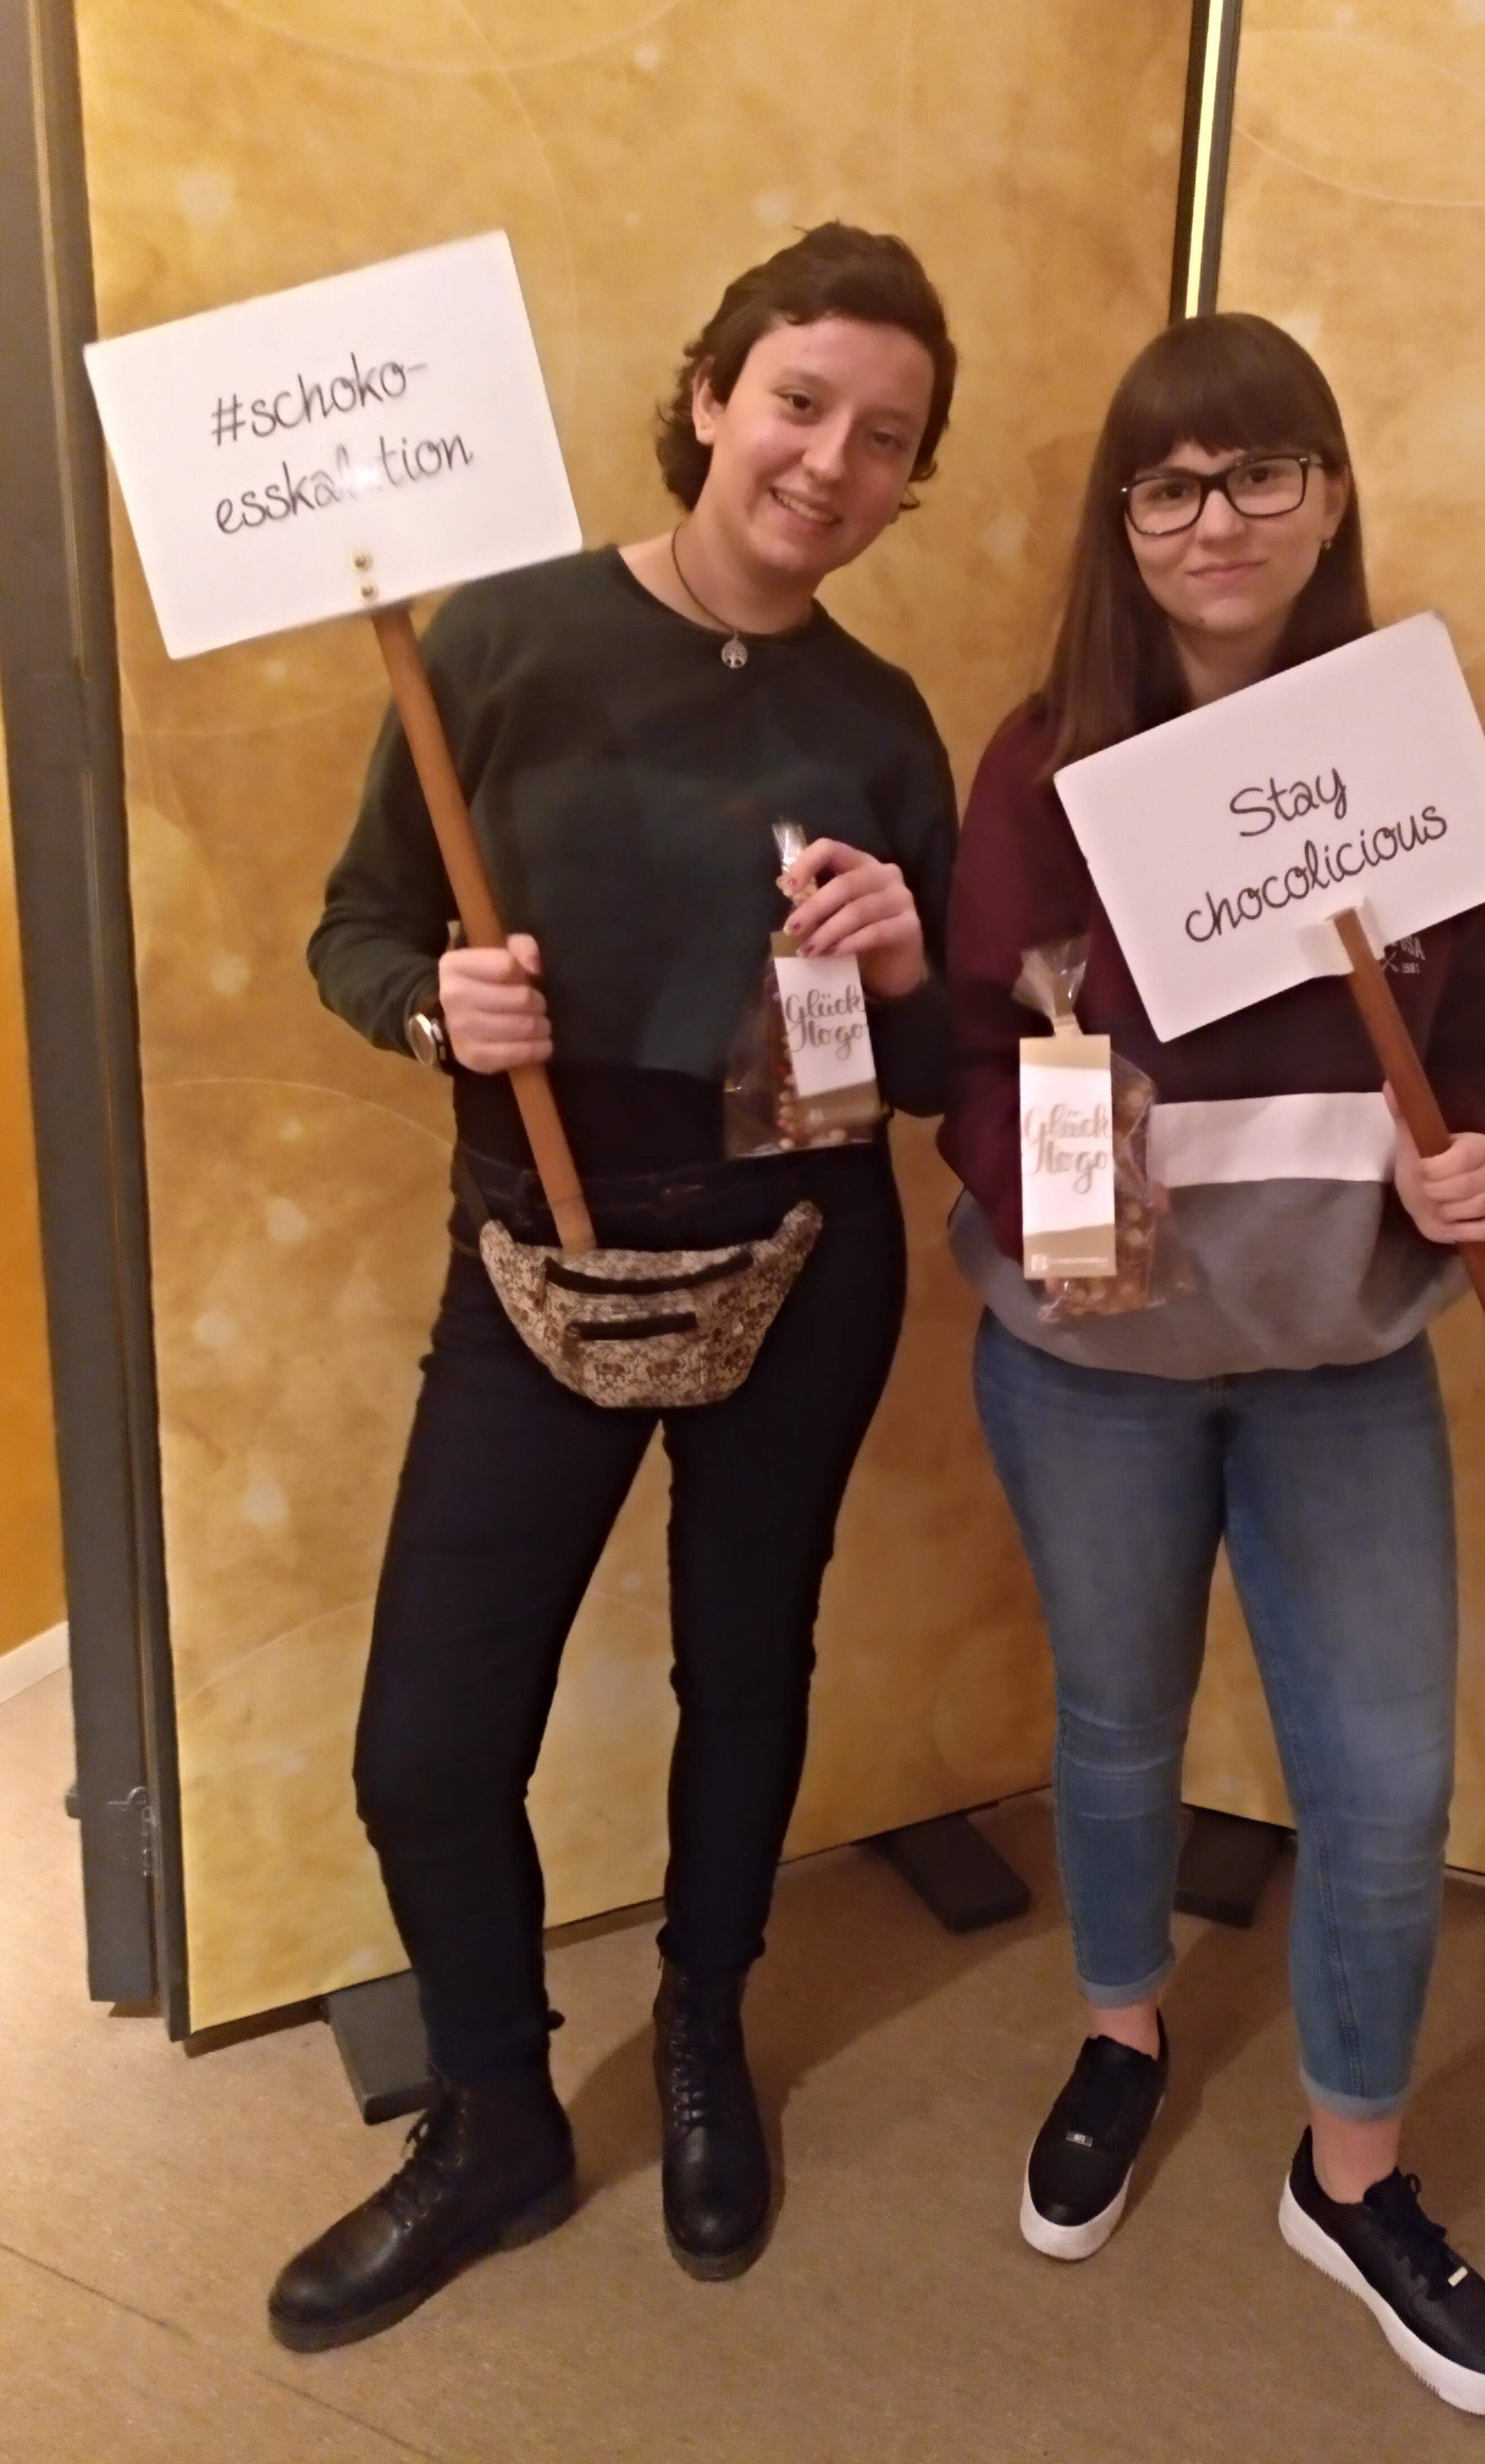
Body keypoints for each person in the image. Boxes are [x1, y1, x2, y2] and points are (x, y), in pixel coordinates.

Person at [269, 223, 960, 2351]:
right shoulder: (497, 638)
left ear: (911, 481)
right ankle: (493, 2116)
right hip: (537, 1251)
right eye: (799, 401)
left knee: (747, 1670)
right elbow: (357, 922)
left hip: (807, 1251)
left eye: (887, 438)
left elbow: (941, 1070)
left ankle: (702, 2028)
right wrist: (433, 1007)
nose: (830, 461)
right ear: (710, 396)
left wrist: (909, 967)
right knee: (426, 1738)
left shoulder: (882, 722)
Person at [941, 313, 1485, 2418]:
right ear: (1122, 521)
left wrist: (1478, 1148)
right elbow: (975, 1049)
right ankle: (1121, 2035)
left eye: (1262, 471)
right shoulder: (1041, 764)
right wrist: (1046, 1195)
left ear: (1332, 491)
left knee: (1385, 1781)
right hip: (1092, 1360)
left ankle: (1349, 2171)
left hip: (1344, 1350)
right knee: (1116, 1728)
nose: (1218, 521)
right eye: (1171, 485)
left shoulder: (1412, 747)